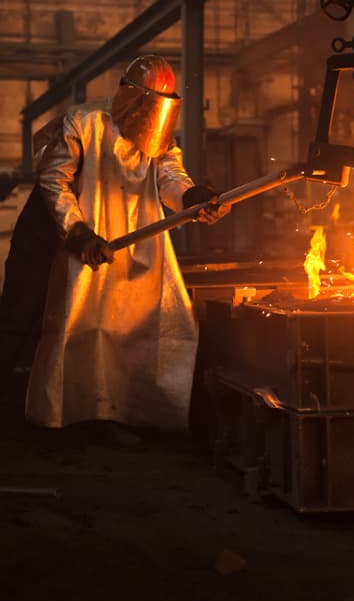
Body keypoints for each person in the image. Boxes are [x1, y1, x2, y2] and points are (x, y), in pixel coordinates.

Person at [0, 54, 229, 437]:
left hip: (110, 231)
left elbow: (170, 174)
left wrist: (191, 197)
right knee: (25, 314)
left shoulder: (157, 138)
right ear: (128, 95)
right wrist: (76, 232)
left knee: (108, 322)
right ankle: (18, 406)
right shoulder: (84, 123)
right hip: (51, 227)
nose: (150, 116)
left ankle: (101, 411)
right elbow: (54, 180)